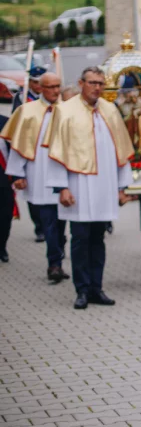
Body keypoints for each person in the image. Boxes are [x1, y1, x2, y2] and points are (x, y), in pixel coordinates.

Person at [46, 67, 137, 309]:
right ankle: (82, 289)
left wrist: (121, 187)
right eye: (92, 82)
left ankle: (97, 288)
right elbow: (56, 152)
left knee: (98, 238)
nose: (97, 87)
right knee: (80, 238)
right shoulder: (65, 111)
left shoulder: (110, 110)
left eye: (101, 83)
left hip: (104, 187)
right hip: (78, 186)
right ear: (80, 83)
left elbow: (121, 152)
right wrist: (62, 187)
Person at [3, 72, 67, 280]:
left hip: (65, 175)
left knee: (61, 223)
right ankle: (54, 264)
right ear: (40, 88)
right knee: (49, 220)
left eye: (58, 86)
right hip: (39, 172)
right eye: (51, 87)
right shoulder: (27, 111)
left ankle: (59, 256)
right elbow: (18, 144)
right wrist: (17, 174)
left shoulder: (68, 110)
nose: (55, 91)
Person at [13, 65, 47, 242]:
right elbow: (15, 125)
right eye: (36, 82)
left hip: (47, 151)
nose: (39, 86)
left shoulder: (50, 99)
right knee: (33, 191)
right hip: (30, 150)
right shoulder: (21, 98)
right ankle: (39, 227)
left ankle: (50, 226)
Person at [0, 115, 15, 264]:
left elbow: (14, 149)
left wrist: (17, 176)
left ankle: (2, 245)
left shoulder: (6, 122)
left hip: (3, 178)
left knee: (5, 216)